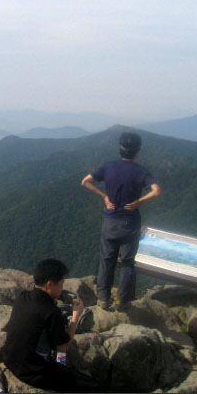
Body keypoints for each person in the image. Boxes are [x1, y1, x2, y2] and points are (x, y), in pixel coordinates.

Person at [81, 131, 161, 311]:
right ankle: (123, 301)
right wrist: (139, 201)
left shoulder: (108, 167)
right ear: (137, 151)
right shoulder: (141, 171)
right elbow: (156, 190)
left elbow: (85, 181)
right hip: (130, 223)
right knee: (127, 262)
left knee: (107, 260)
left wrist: (104, 196)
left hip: (110, 221)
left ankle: (103, 299)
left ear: (120, 149)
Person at [2, 259, 103, 392]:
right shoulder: (51, 311)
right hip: (33, 371)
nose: (61, 289)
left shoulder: (23, 296)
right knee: (94, 387)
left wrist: (51, 301)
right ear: (49, 285)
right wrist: (75, 317)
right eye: (60, 285)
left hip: (10, 359)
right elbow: (63, 346)